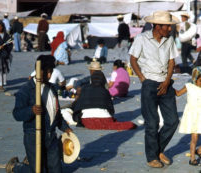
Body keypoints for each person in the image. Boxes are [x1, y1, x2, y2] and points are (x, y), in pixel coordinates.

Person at [129, 11, 179, 168]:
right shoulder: (141, 39)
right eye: (167, 27)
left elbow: (171, 62)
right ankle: (152, 157)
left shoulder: (169, 40)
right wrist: (143, 79)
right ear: (157, 26)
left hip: (166, 83)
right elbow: (133, 59)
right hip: (149, 83)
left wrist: (166, 81)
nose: (170, 29)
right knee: (152, 123)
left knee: (172, 121)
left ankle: (159, 150)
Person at [6, 55, 72, 173]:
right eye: (47, 72)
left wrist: (66, 128)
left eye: (51, 72)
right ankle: (15, 167)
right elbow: (17, 114)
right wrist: (31, 111)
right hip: (33, 137)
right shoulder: (25, 90)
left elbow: (56, 114)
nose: (49, 75)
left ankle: (31, 163)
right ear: (39, 71)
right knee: (38, 171)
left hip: (50, 137)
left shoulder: (52, 88)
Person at [71, 71, 136, 130]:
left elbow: (78, 108)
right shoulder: (105, 91)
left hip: (87, 120)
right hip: (105, 119)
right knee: (123, 125)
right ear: (102, 80)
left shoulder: (84, 89)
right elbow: (111, 110)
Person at [174, 66, 201, 166]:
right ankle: (192, 158)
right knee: (194, 138)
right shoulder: (189, 86)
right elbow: (178, 93)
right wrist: (168, 84)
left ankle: (199, 151)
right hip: (193, 116)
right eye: (200, 80)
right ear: (195, 78)